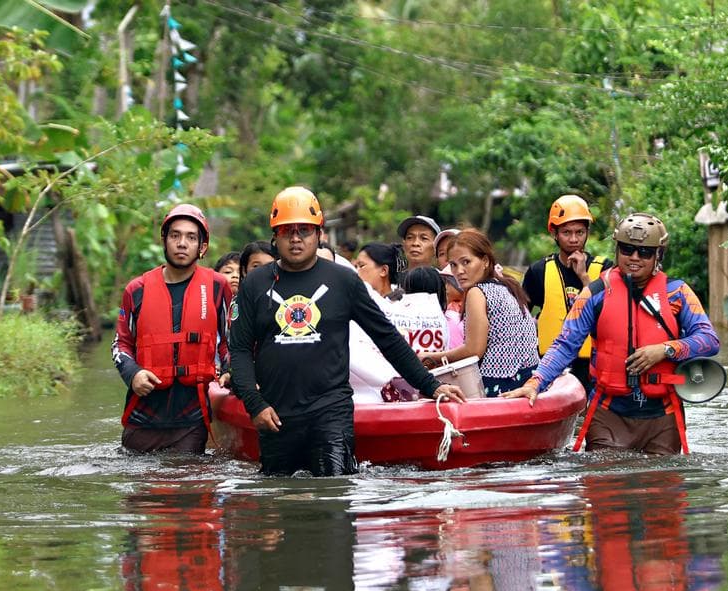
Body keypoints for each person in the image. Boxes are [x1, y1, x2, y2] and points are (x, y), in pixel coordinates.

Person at [229, 186, 465, 476]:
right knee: (280, 503)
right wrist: (254, 405)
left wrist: (431, 385)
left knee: (334, 496)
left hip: (331, 413)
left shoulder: (344, 281)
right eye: (286, 231)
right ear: (274, 236)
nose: (295, 238)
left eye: (304, 230)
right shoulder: (255, 284)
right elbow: (239, 350)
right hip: (276, 415)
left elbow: (387, 339)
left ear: (319, 233)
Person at [503, 213, 720, 455]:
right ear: (617, 249)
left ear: (659, 255)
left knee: (662, 487)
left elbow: (709, 340)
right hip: (608, 415)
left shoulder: (677, 293)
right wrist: (535, 383)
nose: (634, 257)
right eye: (627, 249)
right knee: (604, 486)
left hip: (662, 416)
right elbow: (565, 345)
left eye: (645, 252)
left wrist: (666, 349)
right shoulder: (594, 294)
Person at [113, 203, 233, 454]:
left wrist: (230, 369)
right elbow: (121, 344)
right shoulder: (136, 290)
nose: (182, 243)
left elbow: (228, 341)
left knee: (188, 488)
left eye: (191, 237)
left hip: (191, 420)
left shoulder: (217, 286)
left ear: (202, 247)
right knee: (143, 492)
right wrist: (133, 374)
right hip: (142, 418)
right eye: (175, 235)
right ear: (164, 241)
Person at [418, 230, 539, 396]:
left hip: (501, 384)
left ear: (485, 261)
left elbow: (474, 350)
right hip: (527, 378)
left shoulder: (477, 292)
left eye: (466, 262)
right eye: (453, 265)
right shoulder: (507, 286)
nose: (459, 271)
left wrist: (432, 357)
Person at [521, 195, 613, 393]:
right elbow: (520, 317)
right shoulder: (539, 271)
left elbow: (612, 316)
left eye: (580, 232)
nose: (574, 239)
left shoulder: (605, 269)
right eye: (566, 232)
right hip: (552, 364)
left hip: (594, 365)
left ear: (587, 232)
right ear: (554, 233)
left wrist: (584, 277)